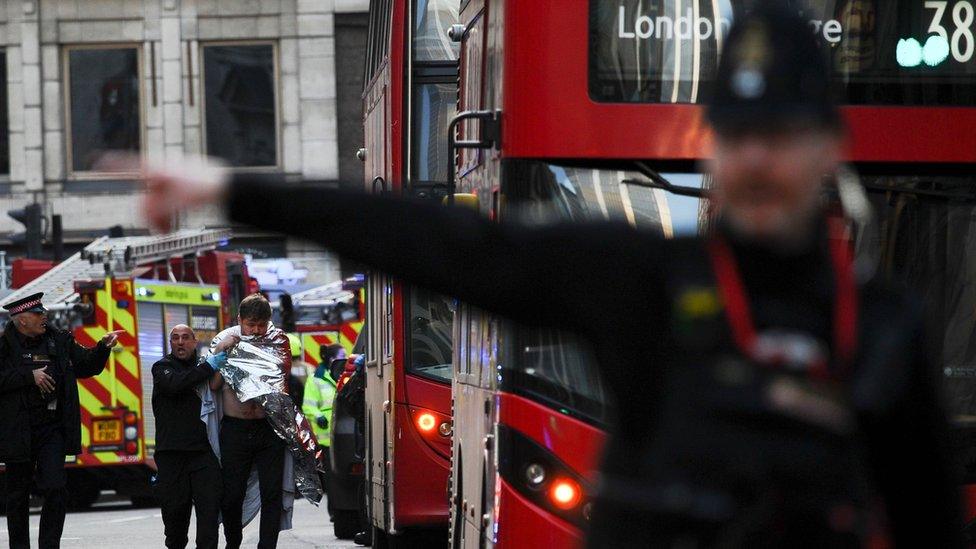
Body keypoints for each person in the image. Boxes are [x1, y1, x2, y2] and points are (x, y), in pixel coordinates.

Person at [142, 6, 962, 547]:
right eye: (739, 134)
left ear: (826, 145)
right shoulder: (645, 278)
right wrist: (234, 188)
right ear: (711, 143)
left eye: (780, 135)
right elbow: (437, 241)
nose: (757, 160)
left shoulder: (884, 328)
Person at [0, 292, 120, 549]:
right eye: (38, 314)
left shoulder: (59, 340)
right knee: (17, 497)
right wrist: (29, 376)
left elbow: (86, 366)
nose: (45, 317)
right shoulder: (4, 345)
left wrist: (102, 348)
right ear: (22, 320)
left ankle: (49, 545)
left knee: (55, 487)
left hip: (50, 428)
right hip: (17, 430)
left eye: (44, 312)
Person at [208, 293, 291, 549]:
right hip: (236, 429)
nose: (255, 330)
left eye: (261, 325)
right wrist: (224, 352)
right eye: (250, 324)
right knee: (232, 495)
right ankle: (233, 542)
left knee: (272, 494)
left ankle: (267, 546)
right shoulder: (225, 340)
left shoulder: (278, 341)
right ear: (240, 320)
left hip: (268, 428)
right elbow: (212, 385)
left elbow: (282, 382)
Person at [151, 324, 222, 549]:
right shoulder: (162, 368)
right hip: (172, 455)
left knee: (209, 518)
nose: (180, 342)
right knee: (175, 523)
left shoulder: (204, 368)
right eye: (175, 338)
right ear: (170, 343)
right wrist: (209, 368)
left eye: (185, 338)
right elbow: (174, 385)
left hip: (203, 455)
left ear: (194, 342)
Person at [302, 354, 338, 519]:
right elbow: (308, 405)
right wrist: (318, 417)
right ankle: (334, 511)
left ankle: (338, 510)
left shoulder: (342, 376)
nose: (341, 360)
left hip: (341, 434)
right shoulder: (316, 378)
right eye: (339, 356)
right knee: (331, 475)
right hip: (325, 437)